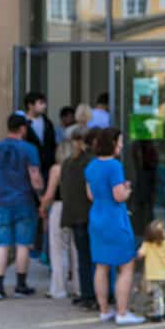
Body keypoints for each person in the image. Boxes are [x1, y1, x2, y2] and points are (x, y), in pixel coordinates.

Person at [86, 127, 144, 325]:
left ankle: (104, 310)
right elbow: (118, 196)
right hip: (115, 219)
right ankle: (122, 312)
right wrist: (127, 189)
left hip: (97, 218)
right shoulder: (114, 166)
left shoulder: (91, 166)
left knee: (101, 266)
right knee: (126, 265)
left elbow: (90, 195)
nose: (121, 145)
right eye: (119, 141)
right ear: (112, 143)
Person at [0, 114, 44, 300]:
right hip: (24, 201)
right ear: (22, 129)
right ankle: (20, 285)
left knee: (1, 245)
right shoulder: (29, 149)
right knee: (22, 245)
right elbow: (34, 177)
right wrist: (41, 195)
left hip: (2, 201)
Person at [59, 128, 96, 309]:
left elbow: (65, 191)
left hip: (73, 216)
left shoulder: (67, 163)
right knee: (92, 257)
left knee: (82, 258)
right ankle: (93, 294)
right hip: (88, 216)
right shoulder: (90, 162)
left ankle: (86, 293)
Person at [39, 140, 80, 299]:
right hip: (76, 208)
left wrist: (42, 208)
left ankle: (58, 288)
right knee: (76, 250)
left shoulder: (56, 169)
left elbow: (49, 194)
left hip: (59, 208)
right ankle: (80, 287)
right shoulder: (79, 167)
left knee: (58, 250)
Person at [23, 91, 57, 258]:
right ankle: (32, 244)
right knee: (32, 207)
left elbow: (52, 145)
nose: (44, 105)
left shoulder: (48, 123)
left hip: (47, 169)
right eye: (40, 102)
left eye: (44, 102)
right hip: (29, 171)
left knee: (45, 207)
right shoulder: (23, 124)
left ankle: (43, 247)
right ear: (30, 105)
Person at [137, 220, 165, 322]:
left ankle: (158, 314)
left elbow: (140, 255)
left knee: (157, 296)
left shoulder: (146, 244)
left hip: (154, 276)